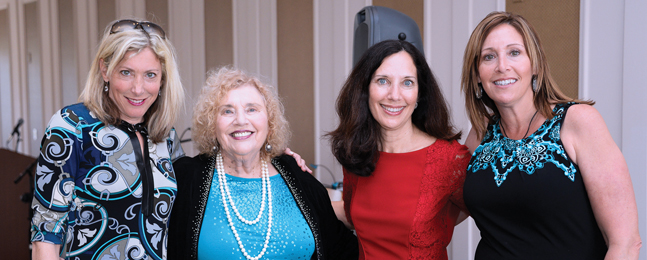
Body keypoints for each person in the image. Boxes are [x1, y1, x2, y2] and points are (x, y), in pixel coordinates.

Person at [461, 11, 641, 259]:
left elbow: (626, 243)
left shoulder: (578, 121)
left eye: (514, 52)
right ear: (476, 74)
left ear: (535, 65)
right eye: (489, 57)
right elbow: (439, 208)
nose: (502, 66)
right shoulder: (481, 132)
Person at [30, 19, 185, 260]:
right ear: (105, 70)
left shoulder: (166, 135)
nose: (138, 88)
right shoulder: (71, 126)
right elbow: (46, 237)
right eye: (126, 72)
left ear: (163, 79)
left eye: (150, 75)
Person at [168, 67, 358, 260]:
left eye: (252, 109)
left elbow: (342, 248)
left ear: (269, 121)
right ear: (211, 124)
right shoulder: (184, 178)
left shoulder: (297, 175)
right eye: (227, 111)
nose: (241, 120)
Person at [328, 39, 471, 259]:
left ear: (419, 94)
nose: (395, 95)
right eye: (383, 81)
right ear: (365, 89)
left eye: (407, 82)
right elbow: (351, 213)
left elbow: (483, 212)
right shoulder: (356, 153)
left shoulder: (449, 159)